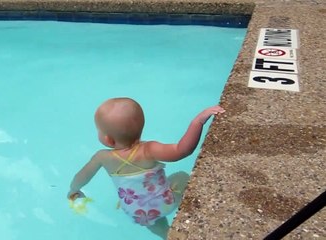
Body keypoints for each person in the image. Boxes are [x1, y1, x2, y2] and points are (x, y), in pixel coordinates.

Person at [67, 97, 225, 239]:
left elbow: (82, 177)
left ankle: (168, 235)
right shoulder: (149, 149)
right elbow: (182, 150)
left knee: (158, 227)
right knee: (182, 176)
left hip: (137, 212)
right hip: (165, 202)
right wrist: (197, 121)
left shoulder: (102, 157)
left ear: (108, 139)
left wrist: (74, 190)